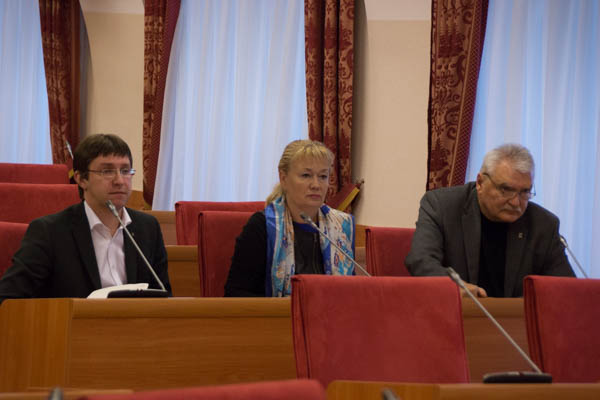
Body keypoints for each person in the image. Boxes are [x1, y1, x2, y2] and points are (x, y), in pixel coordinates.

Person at [0, 134, 171, 303]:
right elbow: (8, 299)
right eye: (107, 171)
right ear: (81, 179)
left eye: (125, 171)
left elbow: (164, 298)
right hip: (72, 320)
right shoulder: (50, 232)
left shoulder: (148, 228)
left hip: (134, 321)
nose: (120, 180)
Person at [405, 143, 574, 298]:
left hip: (516, 319)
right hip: (455, 315)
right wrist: (454, 287)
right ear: (480, 182)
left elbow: (565, 288)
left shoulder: (544, 225)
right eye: (506, 189)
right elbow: (421, 260)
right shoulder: (442, 206)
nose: (516, 202)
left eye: (524, 192)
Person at [225, 140, 355, 297]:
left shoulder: (342, 227)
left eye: (323, 176)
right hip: (276, 312)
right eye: (306, 175)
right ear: (283, 178)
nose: (316, 185)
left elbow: (350, 292)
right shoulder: (262, 226)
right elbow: (236, 294)